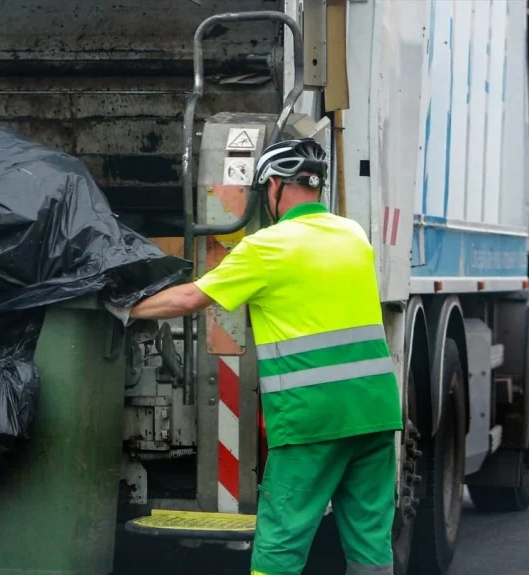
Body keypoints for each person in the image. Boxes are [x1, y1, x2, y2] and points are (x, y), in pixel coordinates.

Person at [118, 138, 403, 575]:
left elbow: (191, 298)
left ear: (273, 185)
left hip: (312, 419)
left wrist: (122, 307)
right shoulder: (354, 235)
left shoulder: (268, 247)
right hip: (376, 413)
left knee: (281, 543)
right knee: (370, 545)